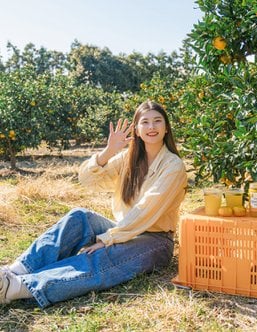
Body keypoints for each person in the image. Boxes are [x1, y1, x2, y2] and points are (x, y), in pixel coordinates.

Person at [0, 100, 187, 308]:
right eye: (145, 122)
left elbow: (146, 209)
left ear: (166, 127)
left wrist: (109, 238)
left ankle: (16, 287)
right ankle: (15, 270)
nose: (151, 127)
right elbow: (88, 180)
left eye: (157, 121)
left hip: (155, 240)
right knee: (80, 216)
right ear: (136, 129)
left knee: (102, 257)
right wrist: (108, 152)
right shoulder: (129, 158)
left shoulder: (173, 166)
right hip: (126, 230)